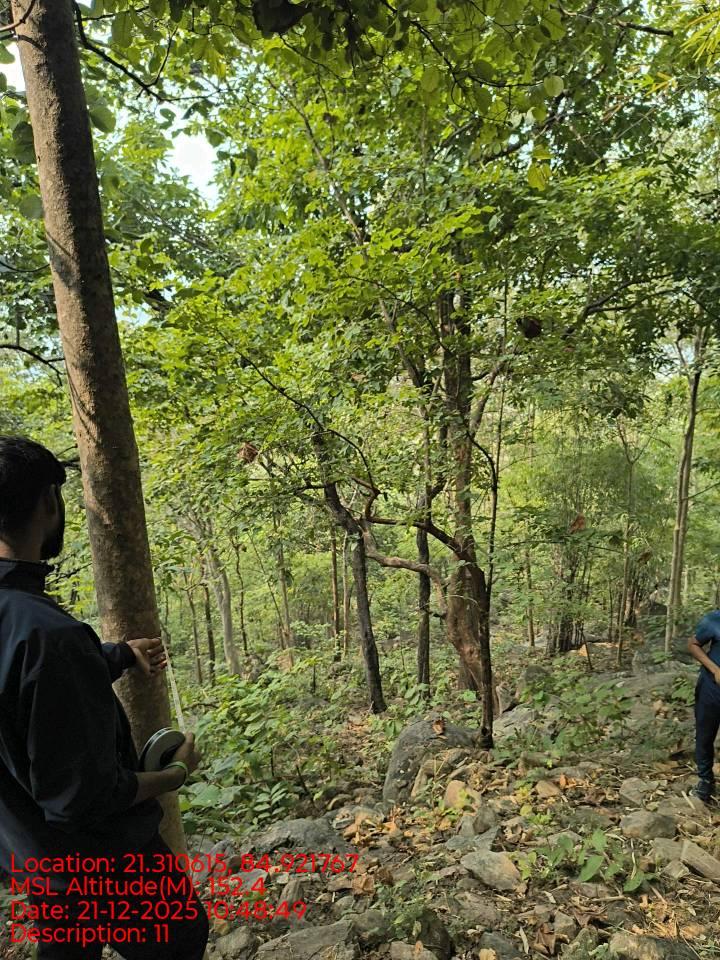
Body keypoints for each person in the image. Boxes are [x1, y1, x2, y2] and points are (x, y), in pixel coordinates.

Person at [0, 435, 209, 958]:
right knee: (181, 939)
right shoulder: (49, 636)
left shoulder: (35, 629)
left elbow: (21, 687)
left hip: (32, 856)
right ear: (48, 503)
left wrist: (115, 656)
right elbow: (83, 800)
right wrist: (174, 775)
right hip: (105, 863)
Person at [688, 609, 720, 803]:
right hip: (712, 687)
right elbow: (693, 644)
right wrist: (715, 670)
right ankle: (705, 780)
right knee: (705, 733)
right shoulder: (715, 619)